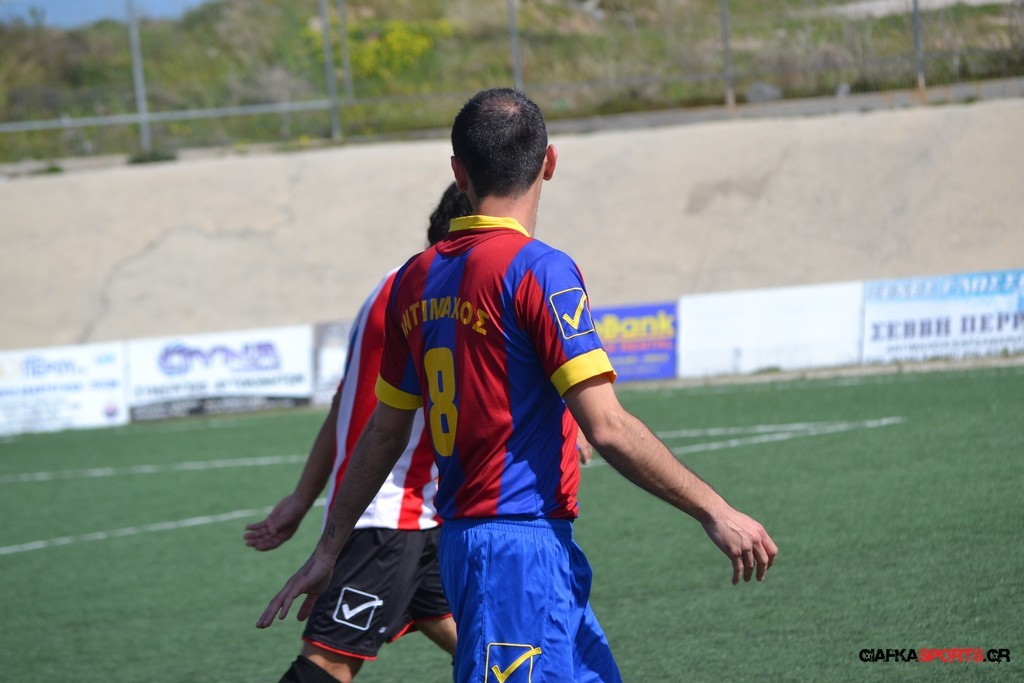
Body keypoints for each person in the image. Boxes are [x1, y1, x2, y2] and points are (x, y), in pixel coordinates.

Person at [257, 88, 779, 682]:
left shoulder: (413, 280)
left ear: (459, 173)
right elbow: (607, 426)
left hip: (480, 543)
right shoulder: (540, 269)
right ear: (549, 162)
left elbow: (382, 433)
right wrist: (715, 510)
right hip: (516, 551)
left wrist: (329, 548)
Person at [245, 183, 472, 683]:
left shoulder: (390, 286)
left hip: (411, 514)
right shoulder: (435, 296)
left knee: (481, 643)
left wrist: (302, 498)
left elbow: (343, 403)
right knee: (326, 665)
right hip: (388, 514)